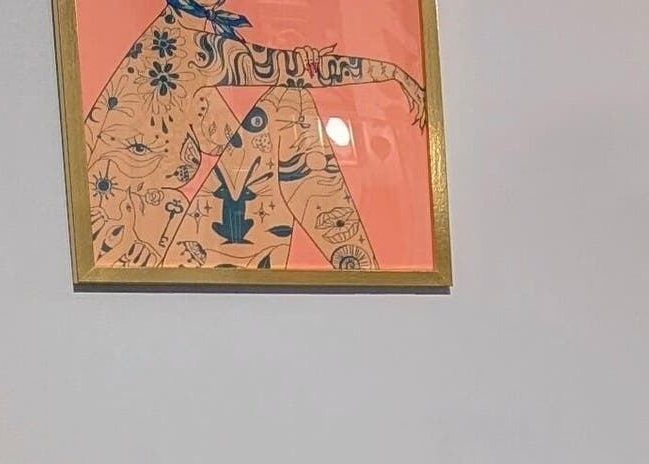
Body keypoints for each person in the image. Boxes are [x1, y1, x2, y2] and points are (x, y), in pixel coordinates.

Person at [80, 0, 429, 273]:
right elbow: (302, 74)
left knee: (285, 107)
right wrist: (394, 72)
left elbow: (243, 149)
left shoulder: (163, 54)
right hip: (148, 258)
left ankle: (358, 269)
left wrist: (297, 68)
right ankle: (359, 269)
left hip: (164, 255)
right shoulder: (185, 49)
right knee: (288, 104)